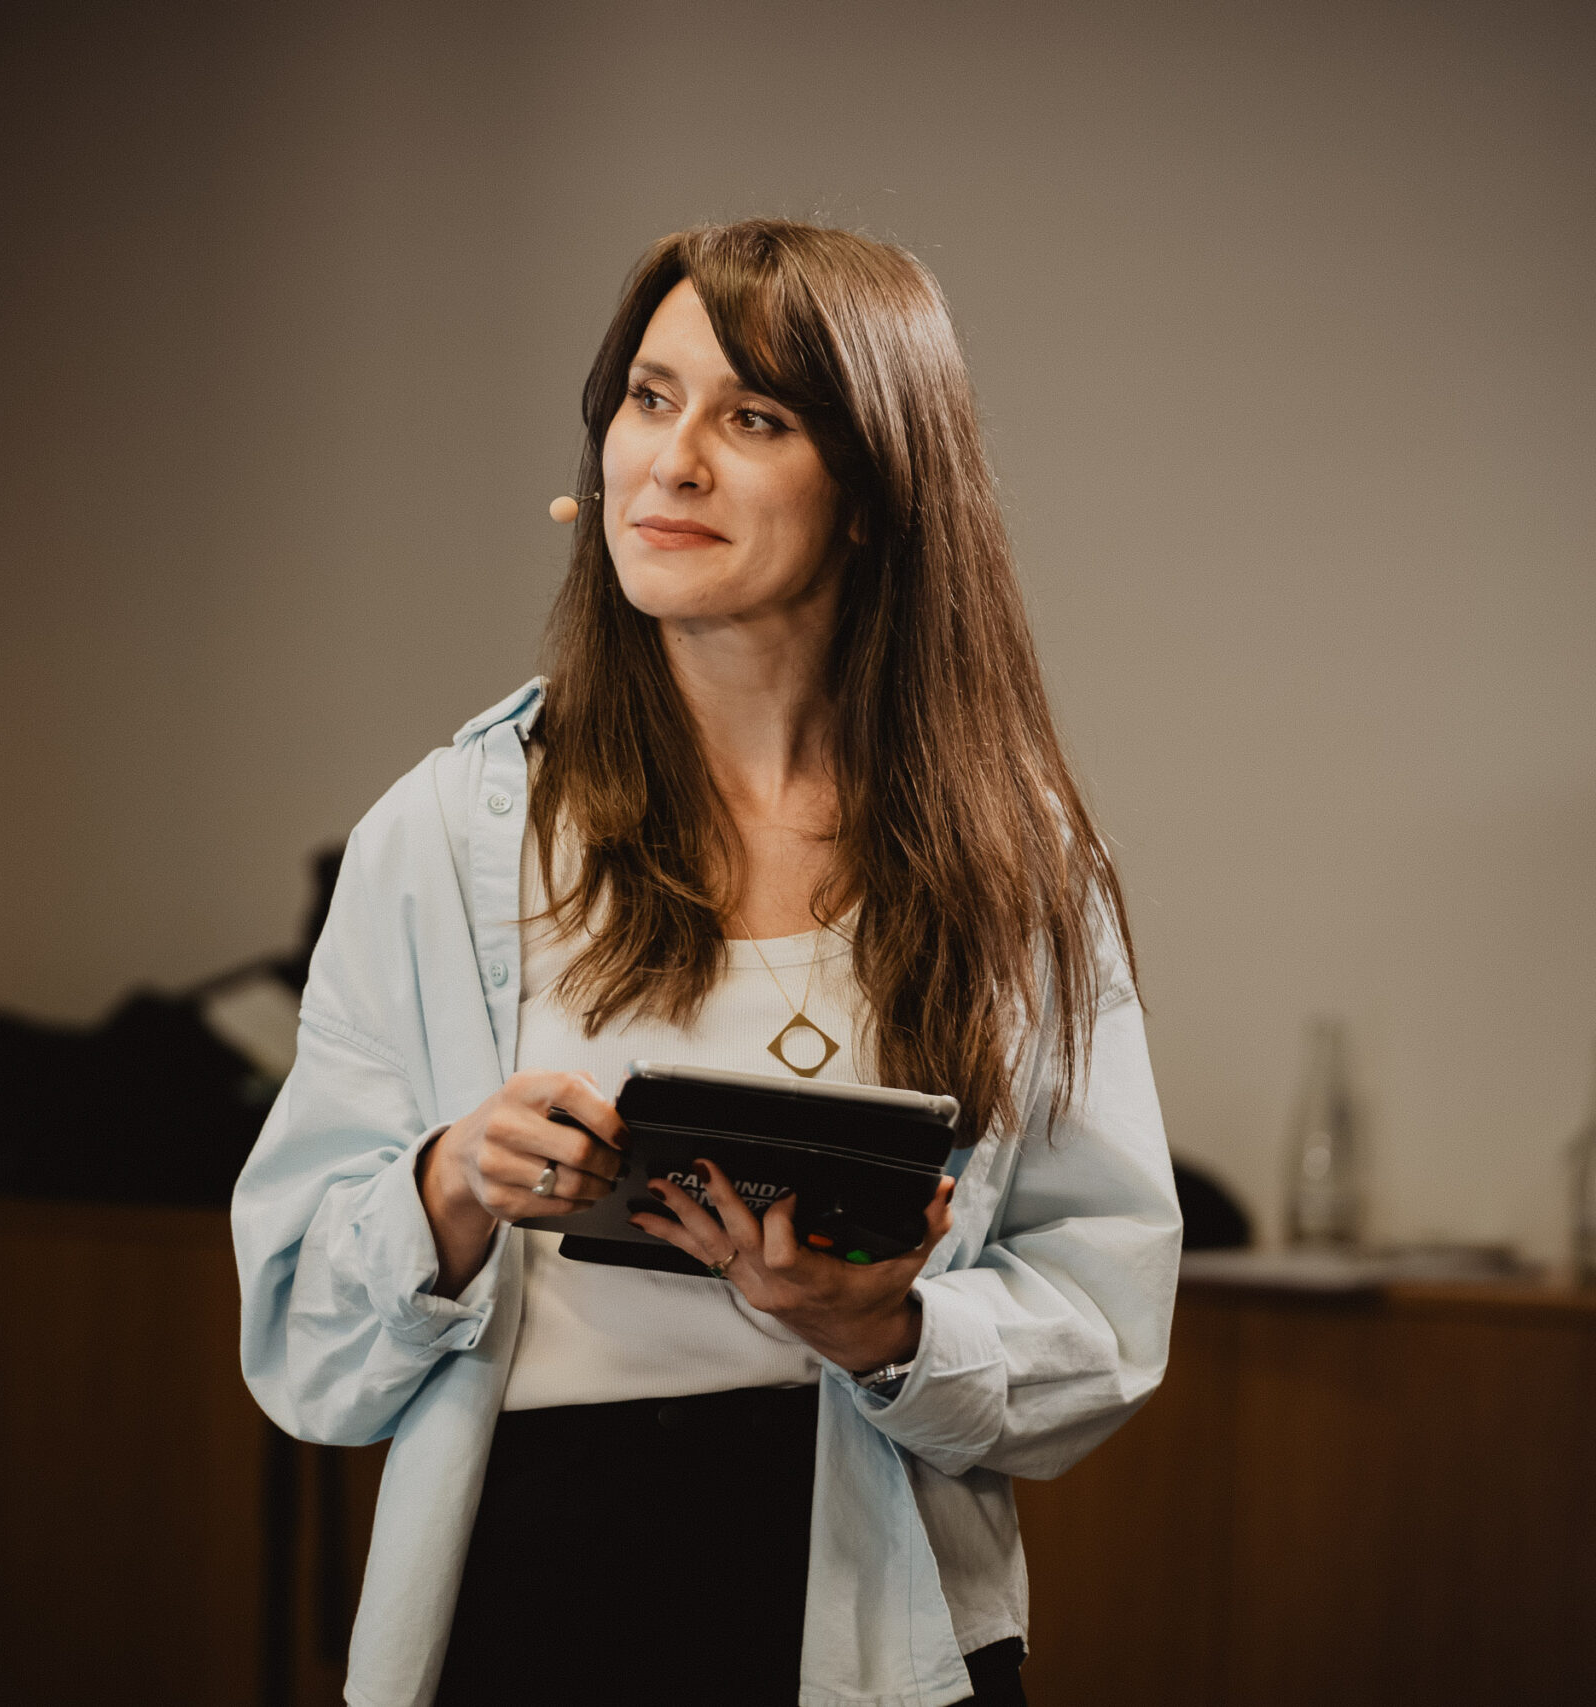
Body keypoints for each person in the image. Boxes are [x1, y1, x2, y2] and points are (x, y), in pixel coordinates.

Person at [233, 219, 1179, 1707]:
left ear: (873, 492)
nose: (672, 463)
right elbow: (302, 1347)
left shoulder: (1014, 862)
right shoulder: (451, 831)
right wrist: (452, 1183)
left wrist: (886, 1329)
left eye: (754, 419)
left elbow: (1105, 1320)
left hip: (871, 1611)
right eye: (649, 398)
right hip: (532, 1588)